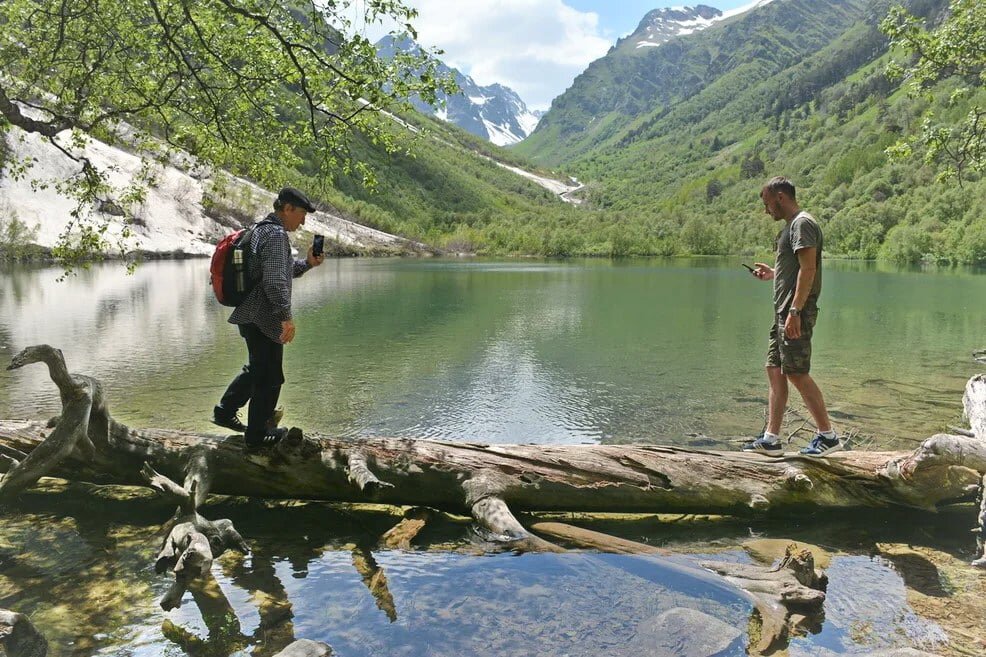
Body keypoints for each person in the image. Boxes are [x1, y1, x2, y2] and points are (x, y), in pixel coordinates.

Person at [212, 187, 324, 447]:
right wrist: (286, 317)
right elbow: (274, 283)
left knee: (257, 369)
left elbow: (279, 273)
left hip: (249, 313)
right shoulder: (275, 235)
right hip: (264, 316)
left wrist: (307, 264)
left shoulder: (260, 230)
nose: (304, 221)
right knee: (271, 378)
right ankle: (257, 436)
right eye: (301, 214)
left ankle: (225, 411)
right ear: (287, 209)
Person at [742, 176, 840, 457]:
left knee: (797, 372)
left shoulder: (802, 224)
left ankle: (828, 436)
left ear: (780, 197)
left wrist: (795, 311)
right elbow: (796, 269)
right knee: (774, 369)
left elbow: (808, 270)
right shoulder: (790, 227)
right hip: (784, 312)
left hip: (795, 312)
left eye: (767, 203)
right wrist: (773, 276)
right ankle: (771, 439)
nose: (766, 210)